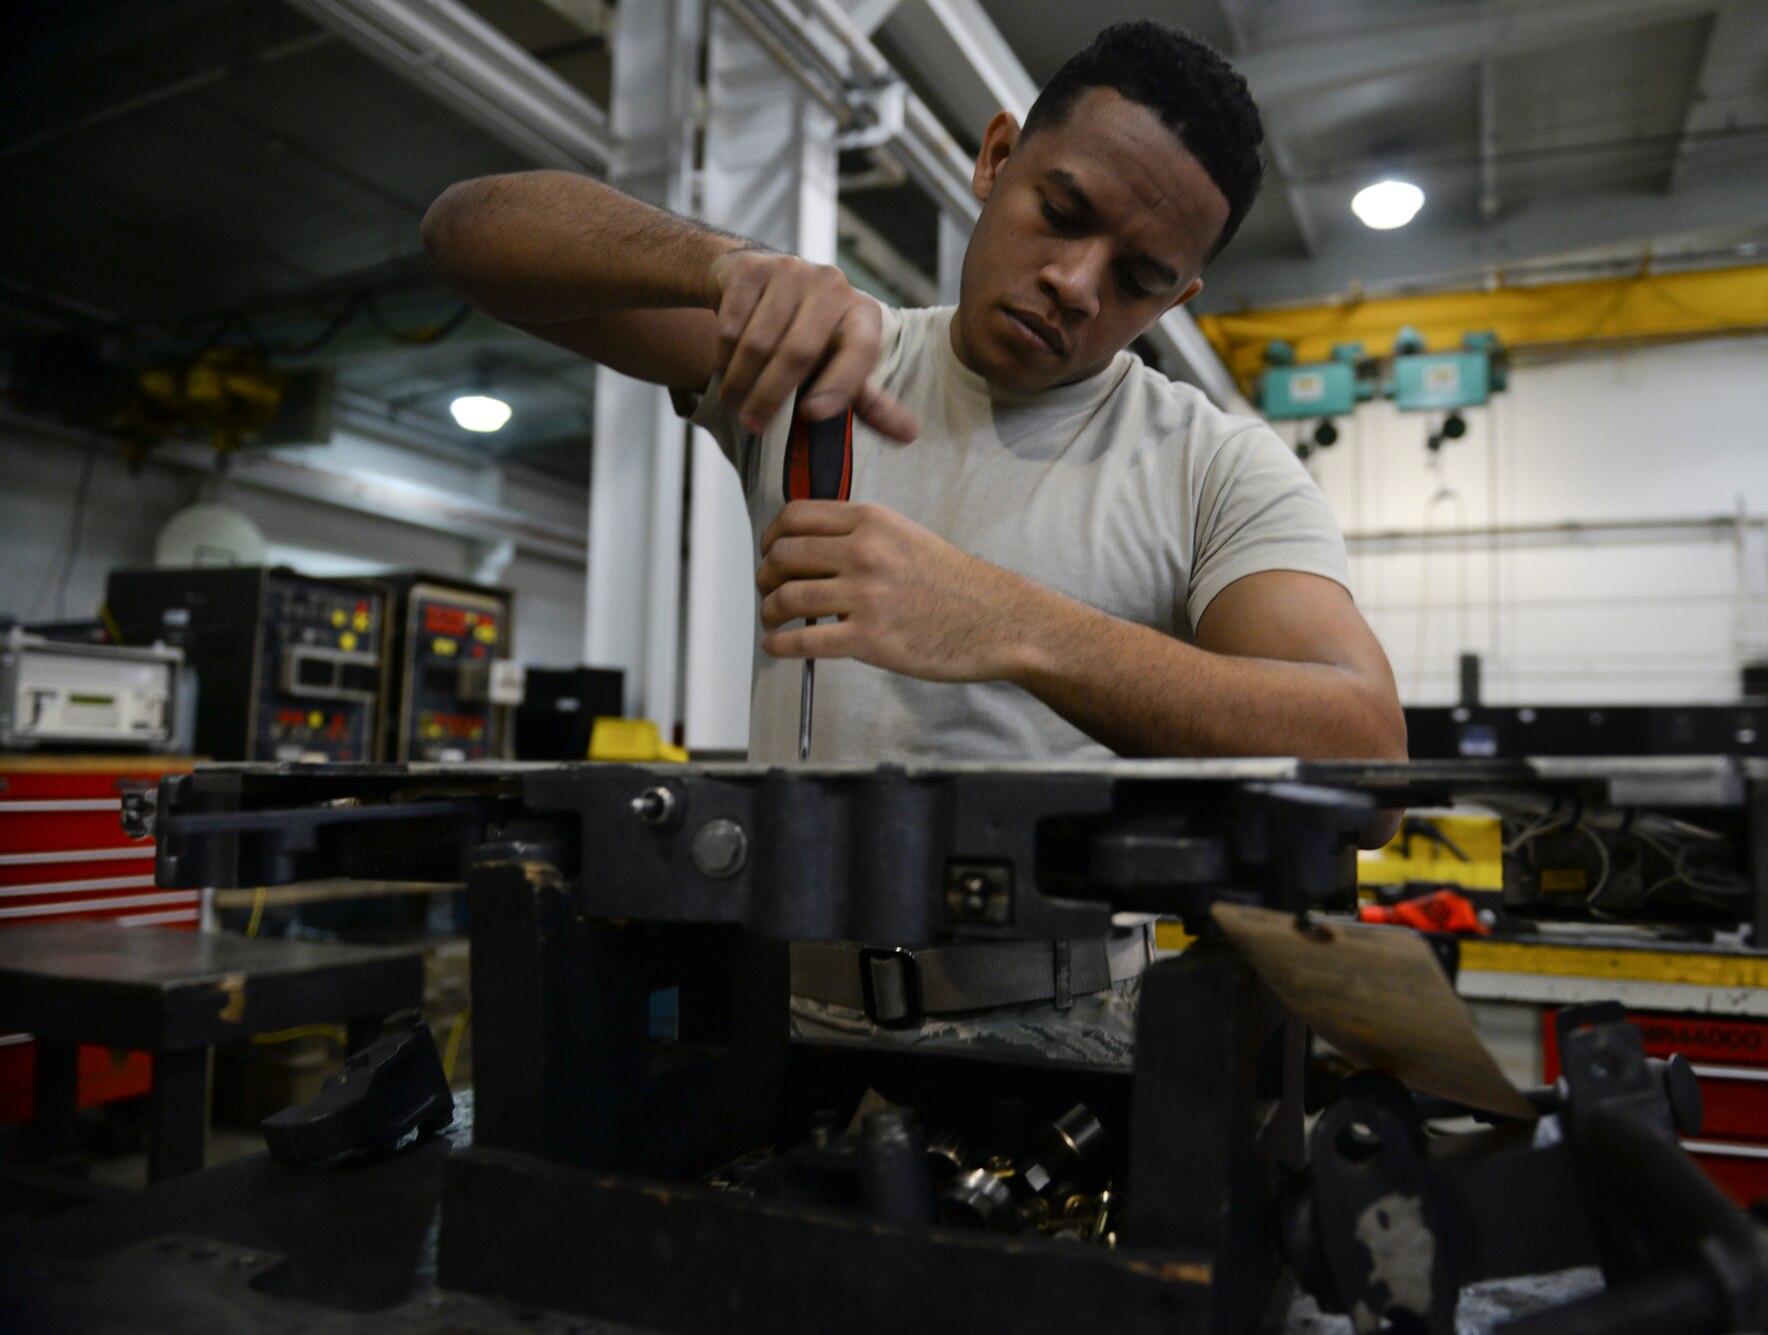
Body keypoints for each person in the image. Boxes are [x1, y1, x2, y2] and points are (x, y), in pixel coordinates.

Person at [422, 20, 1405, 1061]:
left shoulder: (1212, 467)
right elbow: (467, 234)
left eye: (1139, 279)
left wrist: (1012, 624)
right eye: (1061, 214)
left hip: (1061, 1034)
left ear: (1181, 298)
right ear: (992, 159)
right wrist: (720, 265)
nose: (1076, 283)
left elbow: (1369, 765)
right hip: (775, 1018)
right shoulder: (827, 367)